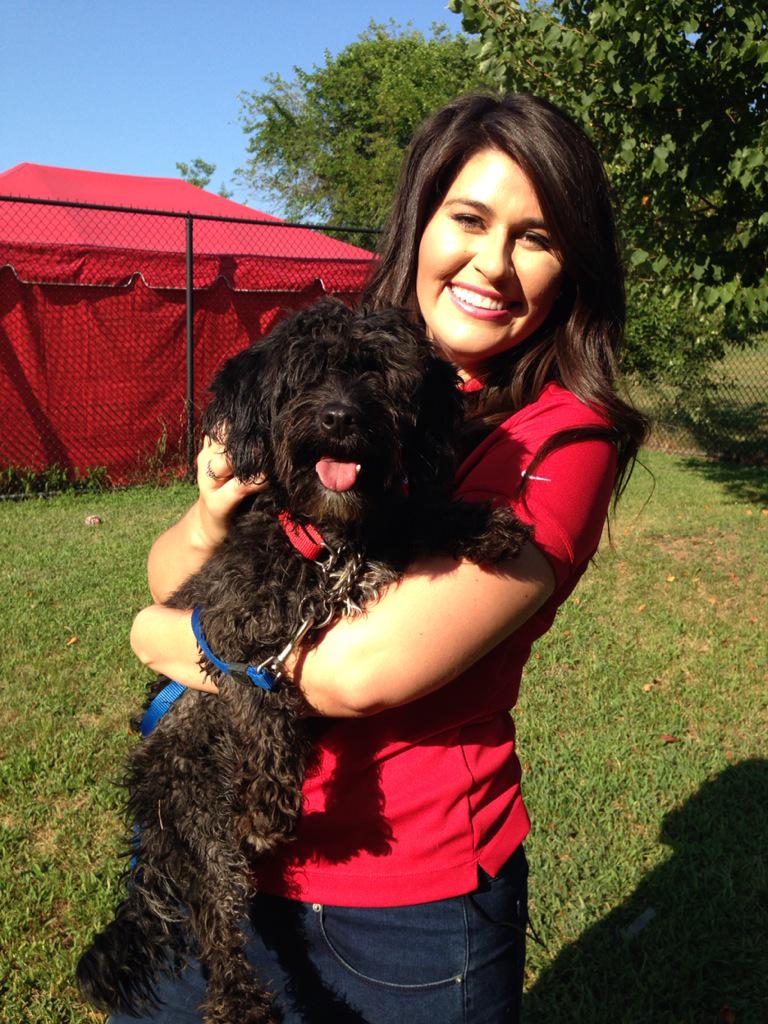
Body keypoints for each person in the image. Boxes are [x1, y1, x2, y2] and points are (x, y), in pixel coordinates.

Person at [122, 93, 648, 1023]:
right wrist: (203, 525)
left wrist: (165, 640)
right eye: (469, 219)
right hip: (211, 847)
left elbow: (358, 673)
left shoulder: (562, 439)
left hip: (397, 901)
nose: (493, 264)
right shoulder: (326, 368)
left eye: (535, 238)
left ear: (573, 267)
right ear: (420, 222)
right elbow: (181, 572)